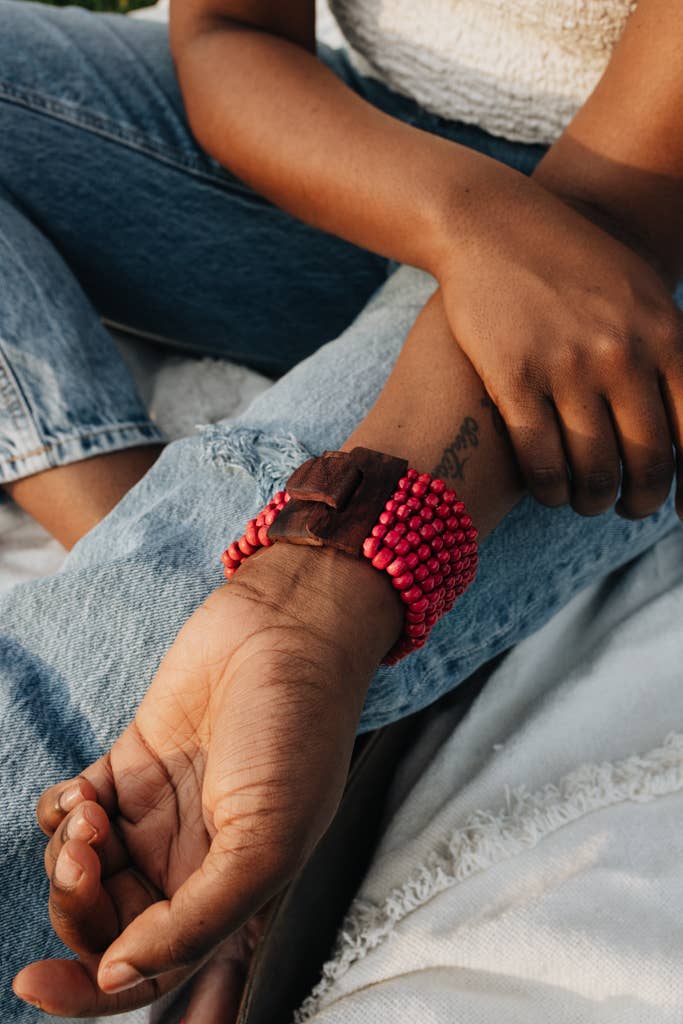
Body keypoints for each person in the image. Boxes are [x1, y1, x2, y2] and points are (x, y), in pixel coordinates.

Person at [1, 0, 681, 1019]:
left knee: (209, 579)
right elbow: (229, 35)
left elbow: (614, 212)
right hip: (378, 146)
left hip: (644, 229)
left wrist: (303, 593)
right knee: (213, 567)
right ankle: (122, 506)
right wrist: (465, 219)